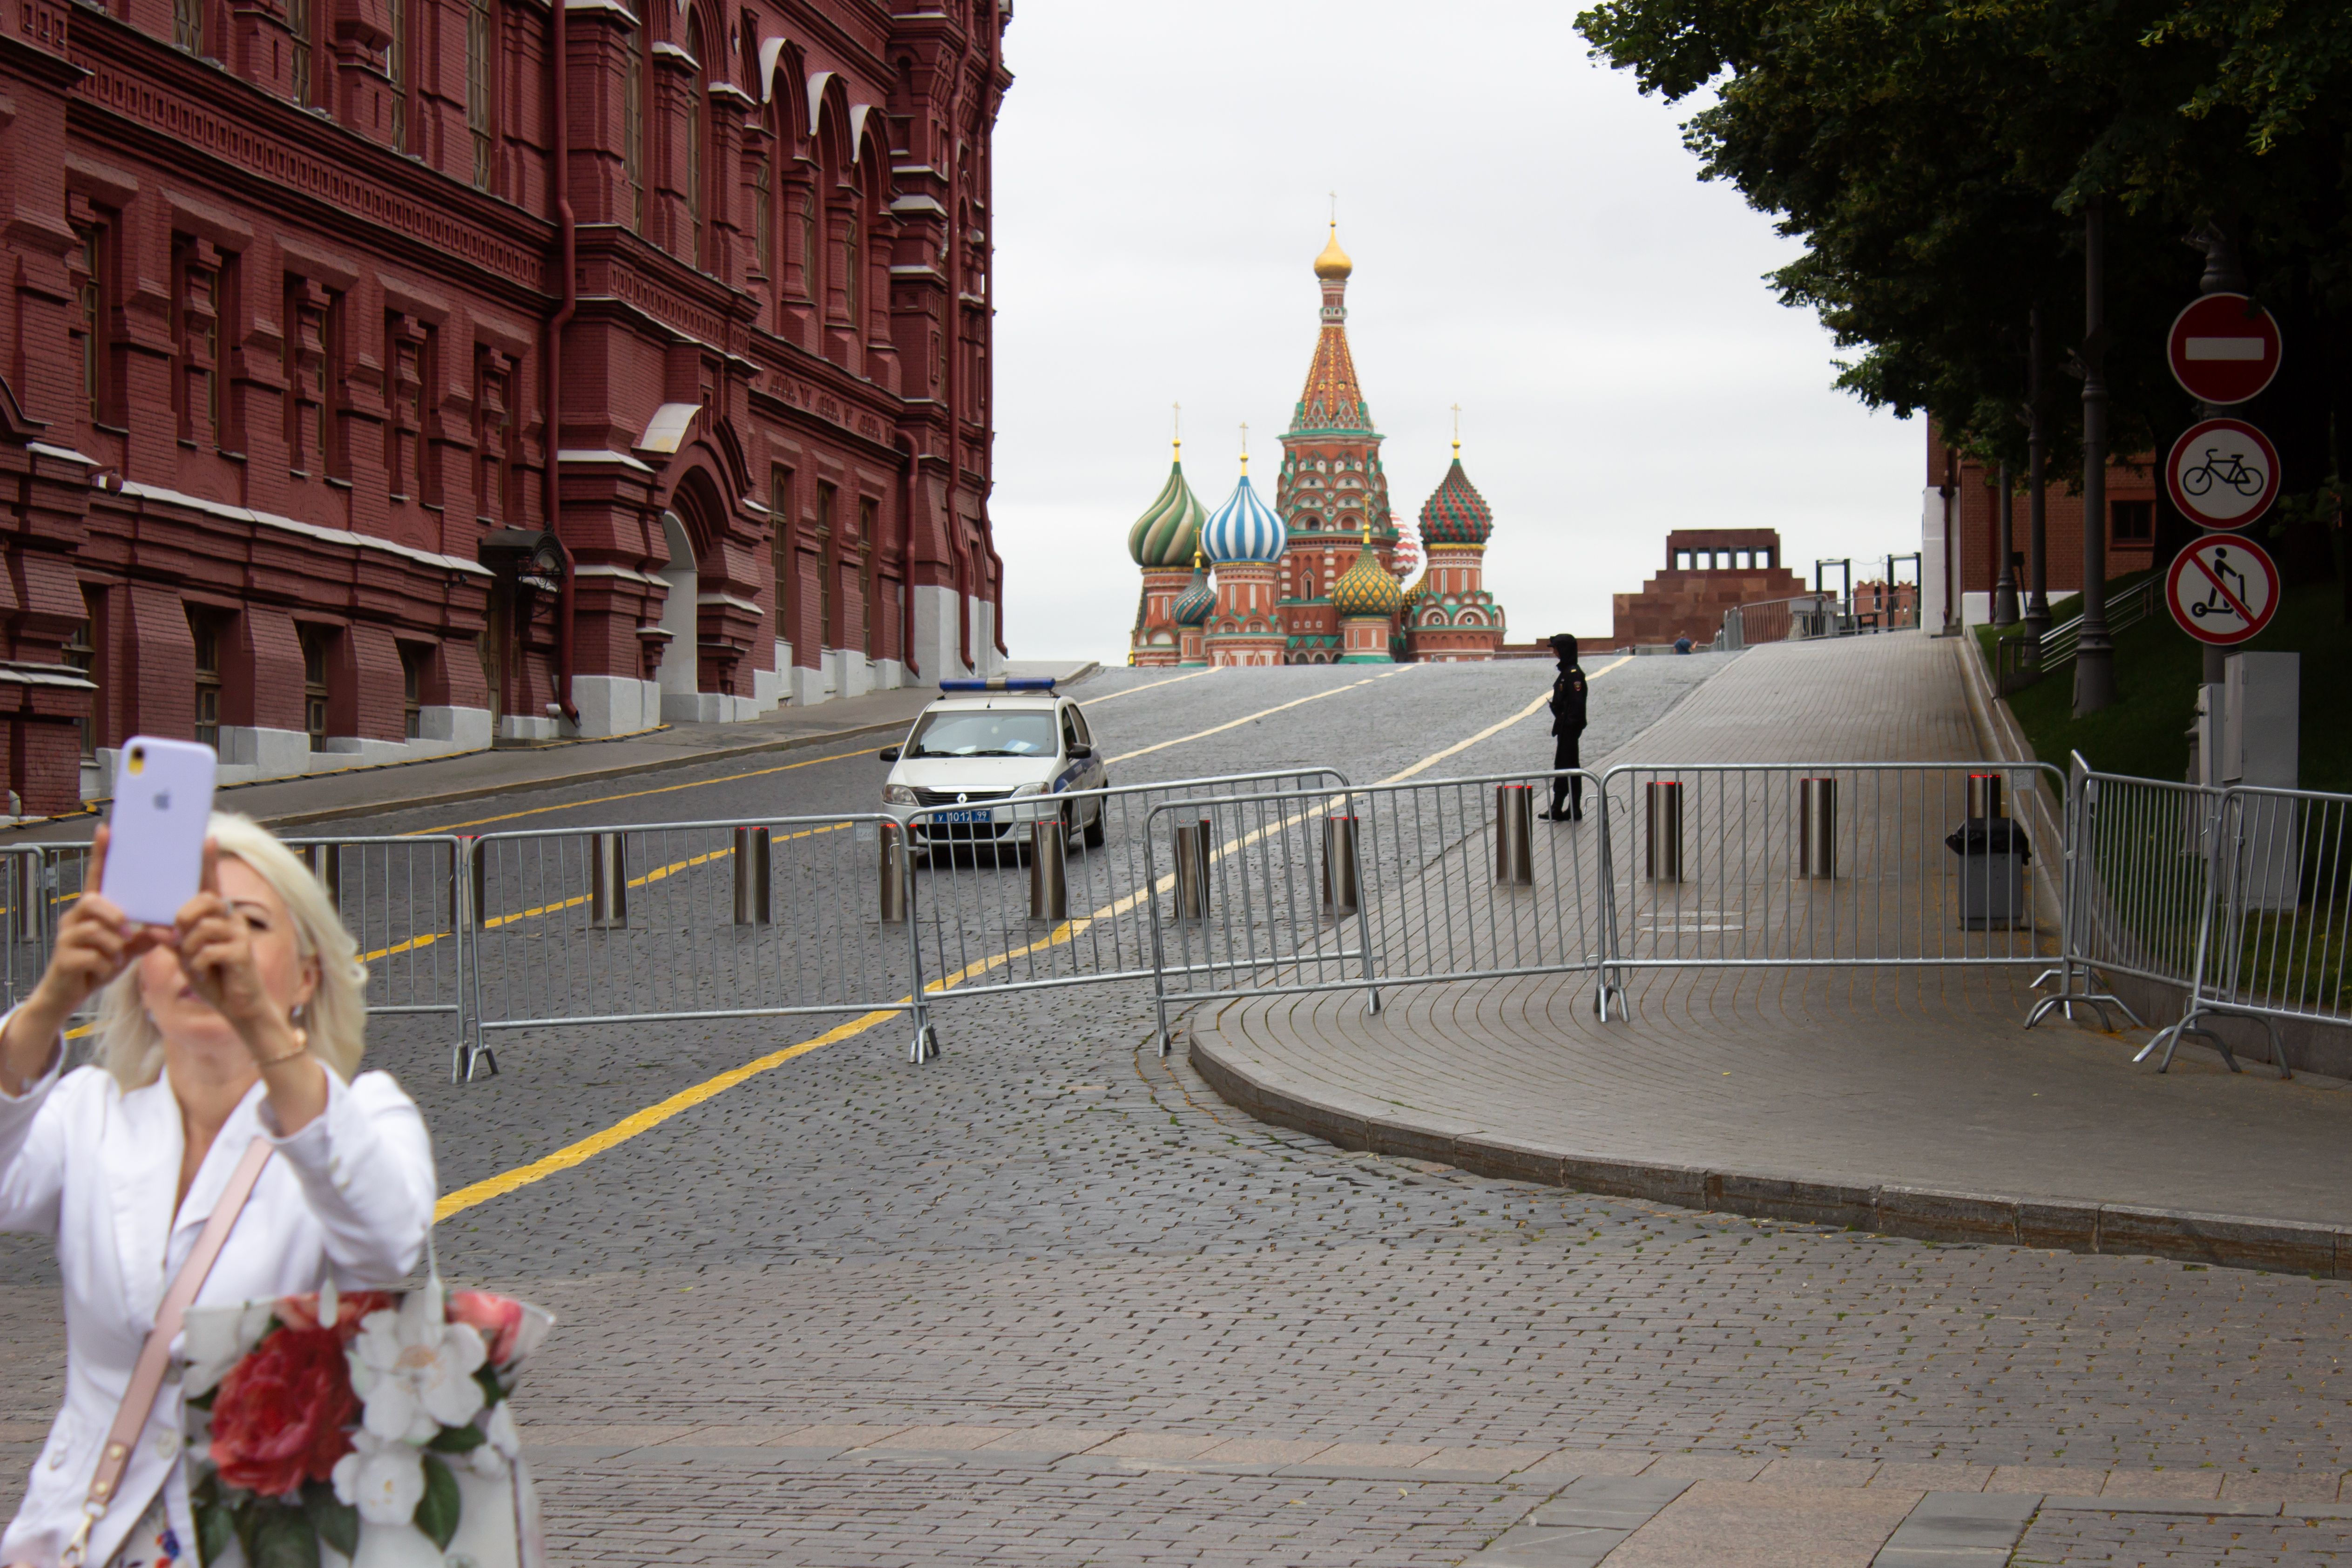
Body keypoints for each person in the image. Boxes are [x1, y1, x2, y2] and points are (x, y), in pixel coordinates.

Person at [0, 814, 435, 1568]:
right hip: (87, 1535)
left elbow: (388, 1245)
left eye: (248, 924)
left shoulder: (363, 1115)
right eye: (178, 927)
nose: (209, 950)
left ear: (306, 976)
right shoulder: (86, 1113)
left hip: (277, 1540)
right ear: (138, 968)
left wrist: (262, 1029)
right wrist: (48, 1003)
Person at [1540, 634, 1588, 821]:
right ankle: (1567, 807)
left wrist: (1569, 724)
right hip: (1565, 727)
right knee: (1567, 766)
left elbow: (1577, 704)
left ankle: (1563, 807)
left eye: (1556, 648)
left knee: (1566, 767)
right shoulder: (1567, 672)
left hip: (1569, 728)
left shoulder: (1573, 674)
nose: (1554, 652)